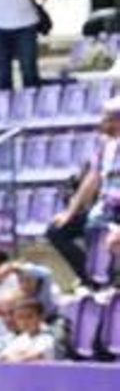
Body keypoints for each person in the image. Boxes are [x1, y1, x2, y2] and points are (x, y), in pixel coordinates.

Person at [46, 96, 120, 287]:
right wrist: (69, 212)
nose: (101, 122)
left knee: (96, 229)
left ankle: (110, 280)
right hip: (105, 207)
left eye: (107, 118)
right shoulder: (104, 145)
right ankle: (91, 279)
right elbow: (92, 179)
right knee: (57, 231)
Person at [0, 299, 58, 363]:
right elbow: (0, 357)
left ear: (41, 317)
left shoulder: (47, 338)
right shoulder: (20, 339)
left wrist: (15, 356)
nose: (24, 321)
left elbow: (33, 356)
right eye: (20, 317)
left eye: (29, 316)